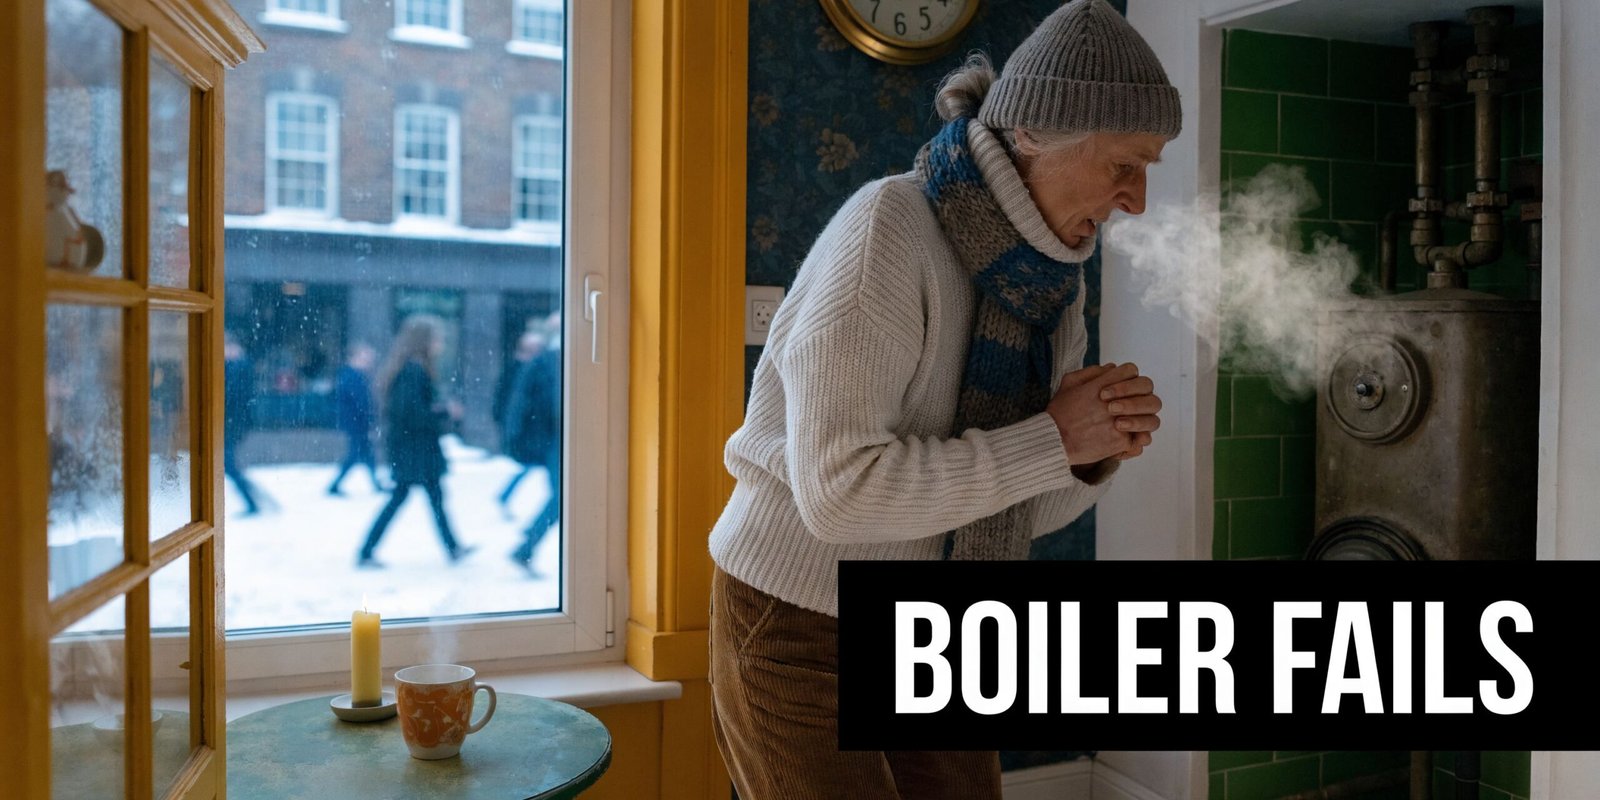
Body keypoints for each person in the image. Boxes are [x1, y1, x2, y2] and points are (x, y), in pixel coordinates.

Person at [705, 1, 1179, 797]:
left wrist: (1091, 455)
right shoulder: (887, 229)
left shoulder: (1052, 280)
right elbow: (839, 496)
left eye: (1148, 170)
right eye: (1123, 164)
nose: (1135, 201)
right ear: (1034, 135)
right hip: (794, 621)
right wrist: (1054, 442)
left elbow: (1018, 507)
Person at [357, 315, 474, 568]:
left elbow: (409, 411)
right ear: (425, 341)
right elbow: (410, 413)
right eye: (437, 338)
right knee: (405, 498)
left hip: (414, 450)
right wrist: (444, 411)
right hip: (414, 450)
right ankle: (366, 550)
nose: (441, 343)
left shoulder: (412, 368)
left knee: (429, 498)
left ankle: (453, 548)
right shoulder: (413, 370)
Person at [507, 318, 562, 576]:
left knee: (562, 500)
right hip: (558, 443)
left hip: (555, 442)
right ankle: (526, 547)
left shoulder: (547, 362)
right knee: (562, 500)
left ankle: (528, 542)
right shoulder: (551, 362)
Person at [494, 328, 547, 514]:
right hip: (525, 427)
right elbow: (506, 399)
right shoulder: (518, 369)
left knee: (531, 464)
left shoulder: (532, 368)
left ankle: (506, 496)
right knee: (532, 463)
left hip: (530, 426)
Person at [328, 342, 386, 495]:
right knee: (357, 454)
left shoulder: (353, 375)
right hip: (356, 423)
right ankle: (335, 485)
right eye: (365, 356)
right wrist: (368, 421)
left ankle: (375, 483)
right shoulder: (351, 376)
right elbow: (359, 402)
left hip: (357, 422)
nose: (369, 360)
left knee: (365, 453)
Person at [223, 331, 263, 516]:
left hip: (232, 423)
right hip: (233, 423)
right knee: (229, 464)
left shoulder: (238, 367)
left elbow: (231, 397)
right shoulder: (238, 366)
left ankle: (251, 500)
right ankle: (250, 497)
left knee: (229, 464)